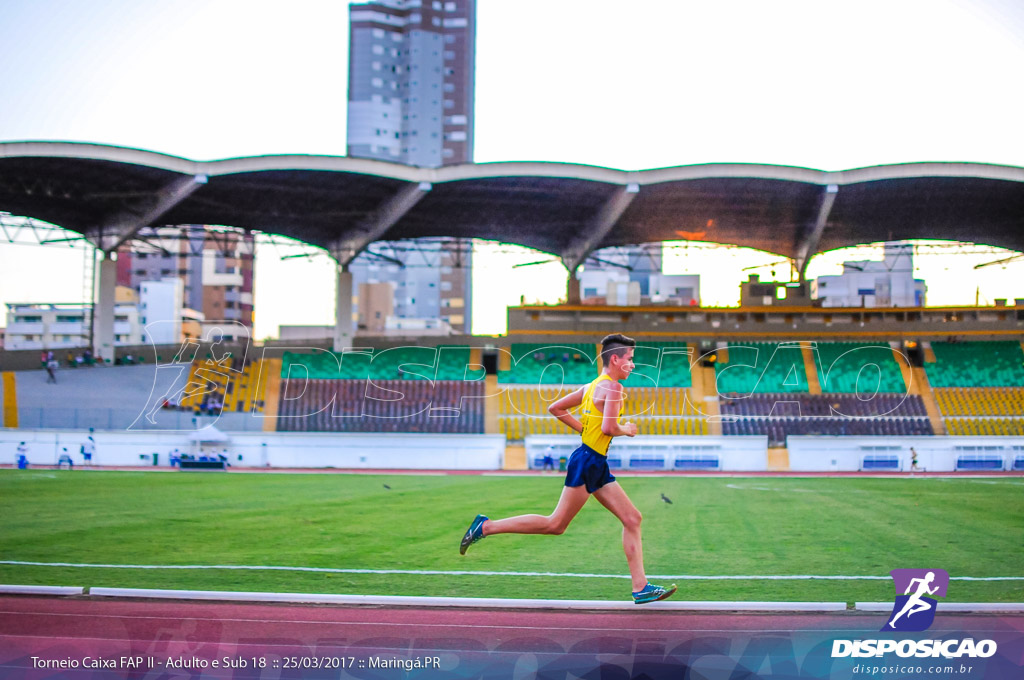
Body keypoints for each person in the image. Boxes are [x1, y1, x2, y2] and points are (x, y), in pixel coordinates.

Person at [459, 333, 677, 605]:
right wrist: (627, 430)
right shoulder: (613, 388)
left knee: (632, 518)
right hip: (589, 461)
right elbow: (609, 428)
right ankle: (486, 527)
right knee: (556, 524)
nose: (633, 365)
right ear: (615, 359)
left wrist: (585, 429)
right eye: (630, 359)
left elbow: (556, 408)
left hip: (593, 460)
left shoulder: (591, 386)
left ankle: (640, 587)